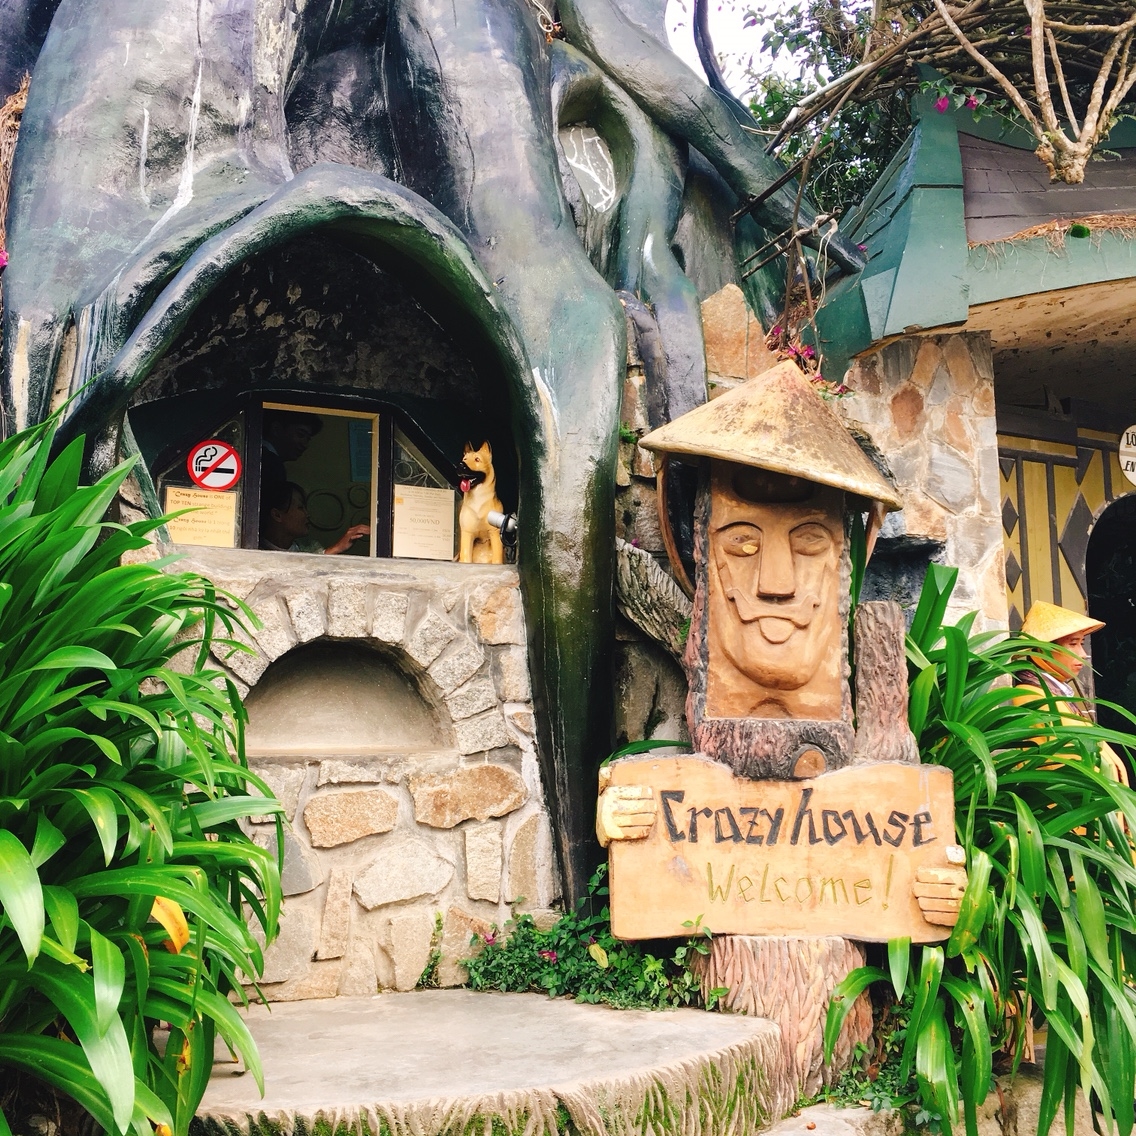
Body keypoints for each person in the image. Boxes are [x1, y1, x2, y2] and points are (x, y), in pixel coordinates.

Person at [1014, 601, 1130, 787]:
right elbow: (1062, 765)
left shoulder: (1054, 693)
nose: (1083, 654)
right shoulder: (1031, 696)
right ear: (1043, 650)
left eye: (1081, 644)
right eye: (1073, 644)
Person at [259, 481, 370, 555]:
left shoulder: (310, 547)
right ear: (277, 515)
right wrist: (335, 549)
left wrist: (335, 549)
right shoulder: (255, 550)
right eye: (300, 507)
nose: (307, 514)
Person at [261, 409, 323, 491]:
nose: (305, 445)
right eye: (300, 435)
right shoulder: (272, 465)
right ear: (276, 429)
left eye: (308, 439)